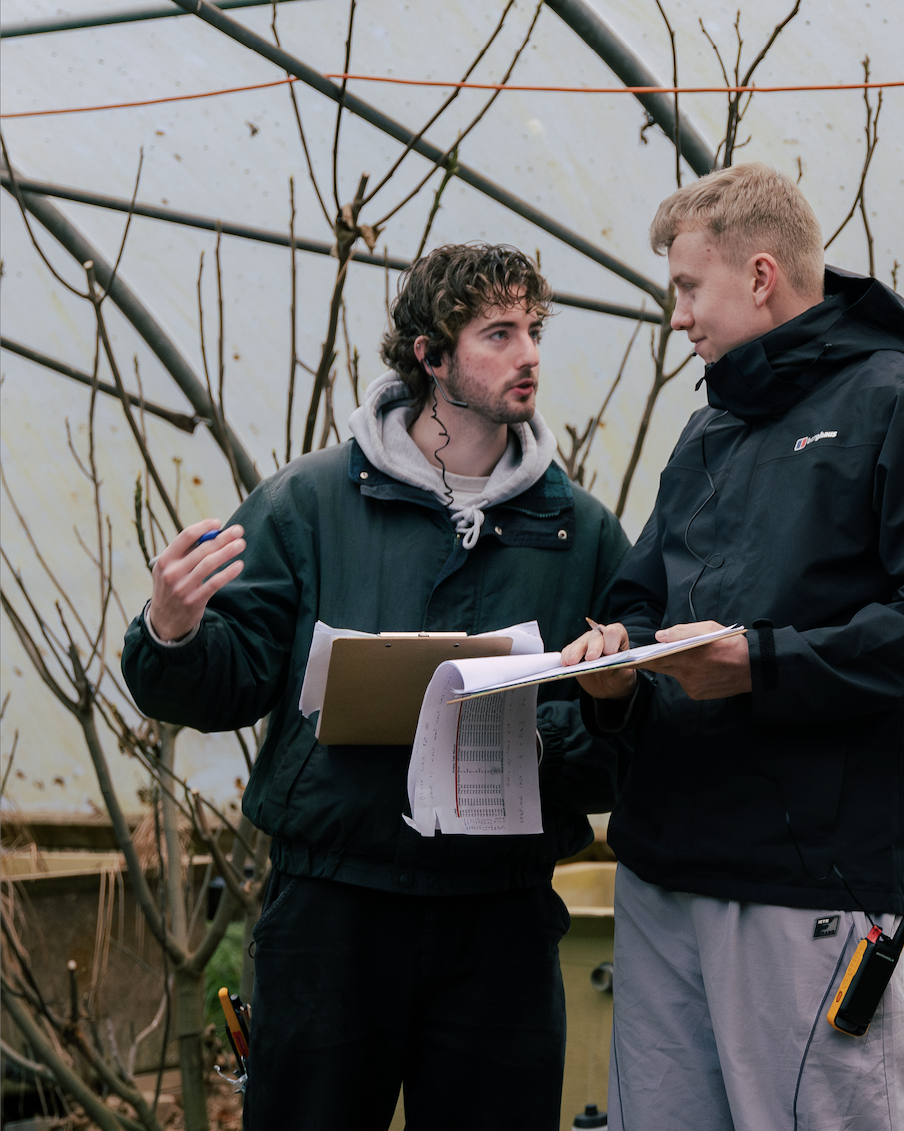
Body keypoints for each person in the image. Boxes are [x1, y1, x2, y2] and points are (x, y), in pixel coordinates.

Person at [122, 243, 630, 1131]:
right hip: (332, 908)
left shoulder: (576, 531)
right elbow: (226, 683)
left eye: (535, 331)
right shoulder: (309, 503)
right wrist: (172, 630)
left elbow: (609, 751)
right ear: (431, 356)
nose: (530, 355)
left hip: (501, 917)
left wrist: (602, 709)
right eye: (498, 333)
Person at [563, 163, 904, 1129]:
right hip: (662, 864)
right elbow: (639, 601)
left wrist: (761, 667)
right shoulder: (710, 433)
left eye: (689, 288)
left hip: (807, 879)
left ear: (760, 275)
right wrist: (614, 668)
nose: (677, 317)